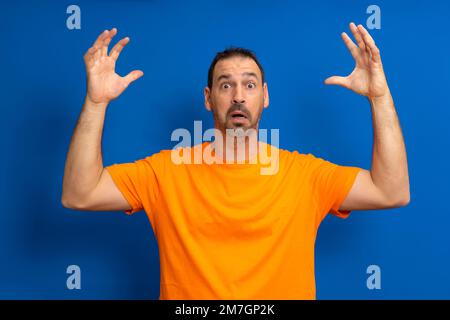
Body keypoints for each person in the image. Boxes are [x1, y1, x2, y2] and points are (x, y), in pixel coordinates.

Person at [61, 22, 410, 300]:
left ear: (266, 96)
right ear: (208, 99)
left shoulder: (305, 175)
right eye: (226, 86)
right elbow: (80, 194)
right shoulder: (166, 171)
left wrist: (379, 96)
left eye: (250, 84)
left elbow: (391, 191)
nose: (239, 96)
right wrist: (96, 102)